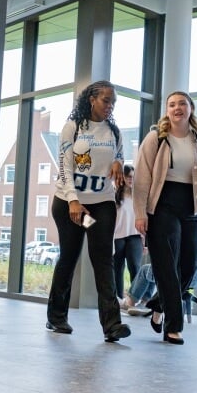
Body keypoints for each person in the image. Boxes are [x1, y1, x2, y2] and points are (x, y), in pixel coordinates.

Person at [132, 91, 197, 345]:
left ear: (191, 109)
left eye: (182, 103)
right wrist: (140, 214)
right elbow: (141, 180)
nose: (177, 108)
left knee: (189, 267)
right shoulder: (156, 138)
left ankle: (158, 305)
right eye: (172, 104)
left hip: (190, 207)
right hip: (161, 207)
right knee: (166, 267)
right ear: (167, 111)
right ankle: (174, 327)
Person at [46, 81, 132, 343]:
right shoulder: (73, 128)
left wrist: (119, 162)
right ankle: (56, 317)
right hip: (70, 203)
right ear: (92, 99)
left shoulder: (113, 131)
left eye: (113, 102)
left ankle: (112, 325)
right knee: (69, 257)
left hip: (100, 204)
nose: (110, 106)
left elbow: (119, 156)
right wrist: (73, 201)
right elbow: (65, 168)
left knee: (103, 259)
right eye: (106, 100)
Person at [112, 163, 144, 313]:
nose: (131, 179)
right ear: (122, 177)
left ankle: (133, 300)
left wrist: (145, 241)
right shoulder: (114, 195)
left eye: (133, 176)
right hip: (117, 237)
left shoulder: (138, 196)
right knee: (117, 269)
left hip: (135, 236)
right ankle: (118, 300)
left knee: (135, 268)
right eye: (128, 176)